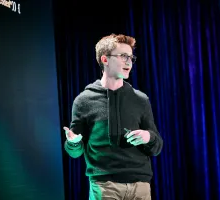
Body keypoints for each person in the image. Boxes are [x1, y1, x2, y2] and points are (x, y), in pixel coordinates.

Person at [63, 33, 163, 200]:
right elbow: (75, 151)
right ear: (105, 60)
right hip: (105, 186)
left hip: (140, 186)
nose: (129, 62)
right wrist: (73, 143)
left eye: (131, 57)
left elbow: (157, 146)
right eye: (123, 56)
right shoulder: (84, 100)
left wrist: (148, 136)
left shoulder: (140, 99)